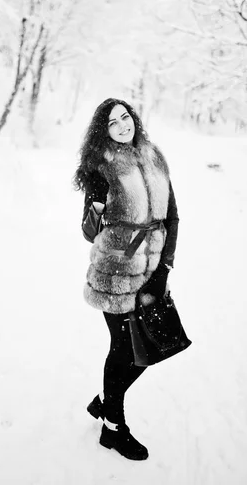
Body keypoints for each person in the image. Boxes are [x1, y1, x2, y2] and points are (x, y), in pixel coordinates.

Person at [73, 98, 179, 461]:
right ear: (104, 130)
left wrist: (163, 268)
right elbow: (90, 232)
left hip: (151, 270)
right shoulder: (101, 165)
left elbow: (173, 217)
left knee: (150, 348)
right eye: (113, 122)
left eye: (125, 117)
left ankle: (105, 401)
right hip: (116, 271)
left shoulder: (153, 157)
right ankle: (113, 430)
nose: (122, 125)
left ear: (134, 119)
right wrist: (95, 210)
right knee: (123, 350)